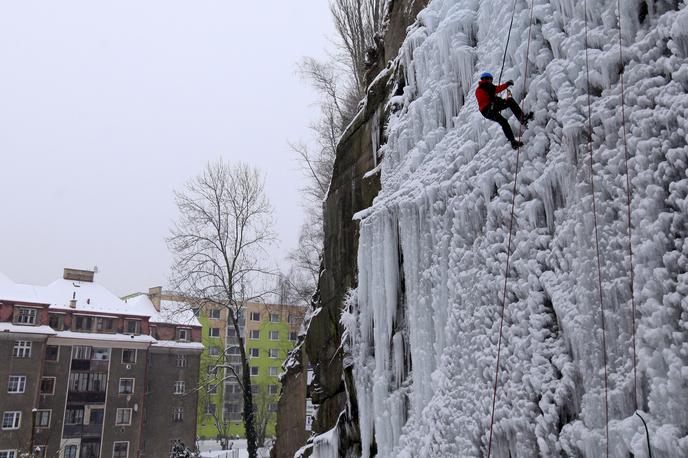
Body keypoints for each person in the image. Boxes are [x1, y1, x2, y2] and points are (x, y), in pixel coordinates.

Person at [476, 72, 534, 149]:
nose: (491, 81)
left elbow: (489, 97)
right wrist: (507, 84)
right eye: (490, 79)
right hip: (490, 108)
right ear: (486, 79)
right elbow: (496, 89)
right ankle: (522, 119)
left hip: (486, 112)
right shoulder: (485, 85)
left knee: (504, 122)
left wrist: (496, 99)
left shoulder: (481, 88)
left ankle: (513, 142)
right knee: (510, 101)